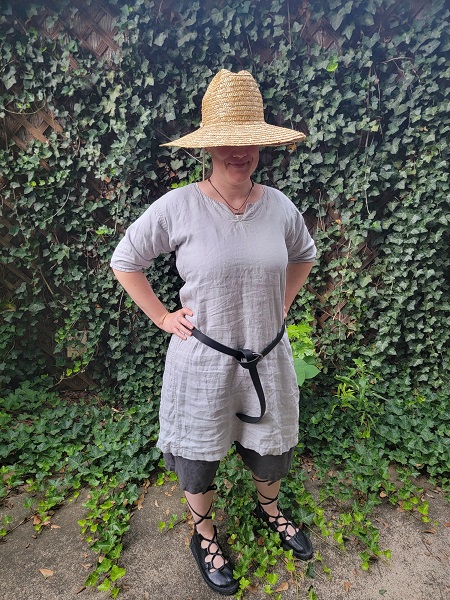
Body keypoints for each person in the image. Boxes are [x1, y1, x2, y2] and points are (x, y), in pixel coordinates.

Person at [111, 68, 316, 596]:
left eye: (247, 140)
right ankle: (202, 530)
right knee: (198, 457)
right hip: (203, 361)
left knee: (270, 450)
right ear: (209, 146)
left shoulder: (279, 207)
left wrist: (284, 302)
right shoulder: (180, 206)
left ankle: (269, 508)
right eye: (227, 140)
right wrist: (162, 316)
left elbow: (304, 256)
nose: (237, 151)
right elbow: (126, 258)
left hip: (267, 357)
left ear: (259, 146)